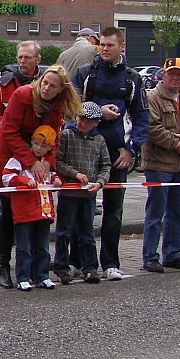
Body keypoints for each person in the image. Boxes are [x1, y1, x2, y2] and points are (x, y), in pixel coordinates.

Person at [0, 64, 81, 289]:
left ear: (60, 90)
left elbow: (52, 136)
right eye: (45, 82)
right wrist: (30, 161)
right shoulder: (22, 94)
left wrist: (48, 165)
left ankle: (36, 269)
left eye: (52, 86)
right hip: (9, 153)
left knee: (37, 216)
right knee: (7, 214)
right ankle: (3, 263)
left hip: (38, 152)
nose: (46, 88)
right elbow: (9, 130)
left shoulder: (57, 106)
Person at [72, 27, 148, 281]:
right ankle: (80, 262)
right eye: (101, 45)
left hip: (117, 152)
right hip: (86, 150)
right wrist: (97, 111)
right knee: (81, 210)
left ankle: (111, 263)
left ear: (121, 47)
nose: (104, 49)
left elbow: (140, 116)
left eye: (110, 46)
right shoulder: (85, 74)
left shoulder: (132, 79)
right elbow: (71, 107)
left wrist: (132, 149)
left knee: (114, 211)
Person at [0, 40, 42, 269]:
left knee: (35, 206)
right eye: (20, 57)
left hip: (36, 151)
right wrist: (11, 129)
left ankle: (32, 253)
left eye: (27, 57)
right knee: (5, 208)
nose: (22, 62)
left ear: (38, 59)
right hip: (8, 152)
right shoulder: (5, 83)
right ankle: (1, 255)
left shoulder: (45, 84)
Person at [140, 58, 180, 273]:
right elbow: (152, 129)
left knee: (176, 212)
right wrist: (178, 143)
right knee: (155, 213)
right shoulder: (152, 97)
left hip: (179, 166)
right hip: (158, 165)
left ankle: (173, 253)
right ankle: (150, 256)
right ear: (162, 75)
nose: (175, 78)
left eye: (179, 74)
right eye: (171, 73)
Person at [53, 102, 111, 284]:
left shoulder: (99, 140)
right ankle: (61, 267)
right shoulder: (66, 135)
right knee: (63, 232)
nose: (82, 122)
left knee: (87, 233)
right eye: (80, 118)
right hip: (68, 194)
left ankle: (90, 267)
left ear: (96, 123)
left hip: (89, 195)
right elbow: (58, 162)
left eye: (87, 120)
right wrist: (74, 174)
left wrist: (100, 182)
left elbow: (105, 165)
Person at [2, 125, 61, 291]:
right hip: (24, 212)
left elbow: (51, 177)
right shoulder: (19, 159)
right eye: (36, 143)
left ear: (49, 147)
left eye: (43, 146)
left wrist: (56, 180)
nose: (38, 148)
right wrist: (23, 181)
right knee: (24, 247)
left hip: (44, 211)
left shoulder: (46, 163)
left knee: (42, 246)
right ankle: (23, 277)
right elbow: (6, 177)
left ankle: (42, 276)